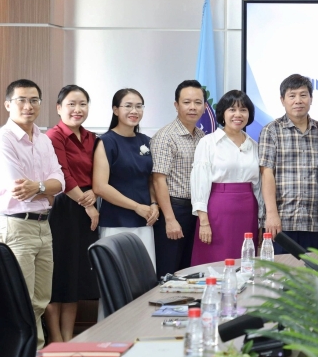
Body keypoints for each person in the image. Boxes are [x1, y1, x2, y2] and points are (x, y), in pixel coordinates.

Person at [0, 79, 64, 349]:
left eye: (34, 100)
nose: (28, 106)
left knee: (40, 301)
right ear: (8, 104)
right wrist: (46, 189)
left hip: (43, 226)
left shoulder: (43, 139)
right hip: (14, 227)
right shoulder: (1, 140)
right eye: (21, 100)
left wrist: (41, 187)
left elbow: (60, 182)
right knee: (20, 303)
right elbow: (20, 189)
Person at [44, 85, 100, 343]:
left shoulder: (92, 138)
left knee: (75, 275)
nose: (78, 110)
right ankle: (56, 338)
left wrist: (94, 195)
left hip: (87, 207)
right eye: (71, 104)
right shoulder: (53, 136)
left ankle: (69, 336)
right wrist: (86, 203)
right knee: (58, 275)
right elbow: (63, 174)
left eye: (82, 104)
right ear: (59, 108)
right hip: (63, 209)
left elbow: (99, 173)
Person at [190, 90, 263, 265]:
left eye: (243, 110)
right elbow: (200, 182)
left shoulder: (254, 145)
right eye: (232, 109)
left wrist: (261, 221)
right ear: (223, 113)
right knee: (215, 261)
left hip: (248, 211)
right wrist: (204, 221)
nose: (238, 114)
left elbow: (259, 187)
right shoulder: (208, 142)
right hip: (217, 211)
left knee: (245, 261)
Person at [259, 74, 318, 254]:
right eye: (292, 95)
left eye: (303, 95)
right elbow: (266, 173)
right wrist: (271, 214)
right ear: (282, 100)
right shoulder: (271, 131)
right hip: (283, 221)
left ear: (311, 98)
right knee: (282, 270)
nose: (298, 100)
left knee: (316, 270)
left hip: (316, 221)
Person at [92, 88, 159, 267]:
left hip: (145, 220)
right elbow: (100, 187)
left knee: (144, 275)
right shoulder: (106, 141)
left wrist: (154, 204)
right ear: (115, 110)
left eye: (139, 106)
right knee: (118, 274)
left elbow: (150, 179)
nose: (134, 111)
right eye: (128, 106)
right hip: (117, 221)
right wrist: (136, 207)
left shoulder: (146, 141)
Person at [150, 80, 206, 276]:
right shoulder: (166, 136)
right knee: (169, 270)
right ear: (176, 105)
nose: (193, 107)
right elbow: (158, 180)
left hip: (195, 211)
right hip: (174, 209)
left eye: (198, 102)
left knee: (188, 270)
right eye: (187, 102)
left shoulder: (202, 137)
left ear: (204, 106)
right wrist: (170, 219)